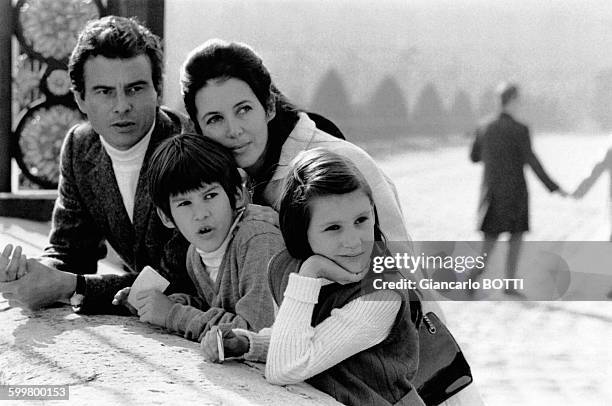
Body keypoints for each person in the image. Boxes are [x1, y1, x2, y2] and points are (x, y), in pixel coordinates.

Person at [201, 149, 425, 406]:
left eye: (361, 220)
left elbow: (285, 368)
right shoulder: (284, 266)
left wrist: (311, 272)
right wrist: (248, 343)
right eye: (333, 228)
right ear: (301, 230)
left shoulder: (381, 294)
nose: (354, 241)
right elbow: (299, 337)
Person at [0, 16, 193, 312]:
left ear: (157, 90)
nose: (122, 106)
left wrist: (71, 286)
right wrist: (32, 273)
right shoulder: (81, 145)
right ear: (80, 99)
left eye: (135, 88)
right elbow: (70, 249)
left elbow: (180, 279)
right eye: (104, 91)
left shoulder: (187, 146)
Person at [179, 39, 409, 242]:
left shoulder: (345, 160)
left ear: (269, 107)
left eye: (244, 110)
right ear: (199, 128)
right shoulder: (217, 183)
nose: (234, 130)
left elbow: (398, 271)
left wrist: (286, 232)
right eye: (215, 119)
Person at [113, 133, 284, 340]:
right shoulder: (195, 254)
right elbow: (215, 308)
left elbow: (255, 333)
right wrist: (154, 302)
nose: (201, 214)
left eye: (210, 196)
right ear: (166, 217)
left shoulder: (258, 240)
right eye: (185, 203)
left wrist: (172, 314)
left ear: (237, 195)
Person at [470, 82, 566, 295]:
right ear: (512, 100)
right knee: (515, 239)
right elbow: (532, 160)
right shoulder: (520, 129)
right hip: (515, 193)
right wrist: (553, 186)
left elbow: (474, 157)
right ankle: (510, 285)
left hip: (492, 192)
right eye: (519, 100)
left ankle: (473, 276)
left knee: (489, 242)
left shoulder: (484, 126)